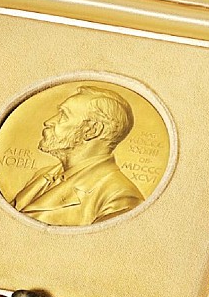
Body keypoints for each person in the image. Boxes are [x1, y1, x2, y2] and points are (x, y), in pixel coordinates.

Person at [12, 87, 144, 226]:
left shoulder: (120, 199)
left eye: (63, 115)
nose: (48, 121)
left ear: (92, 130)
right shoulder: (43, 175)